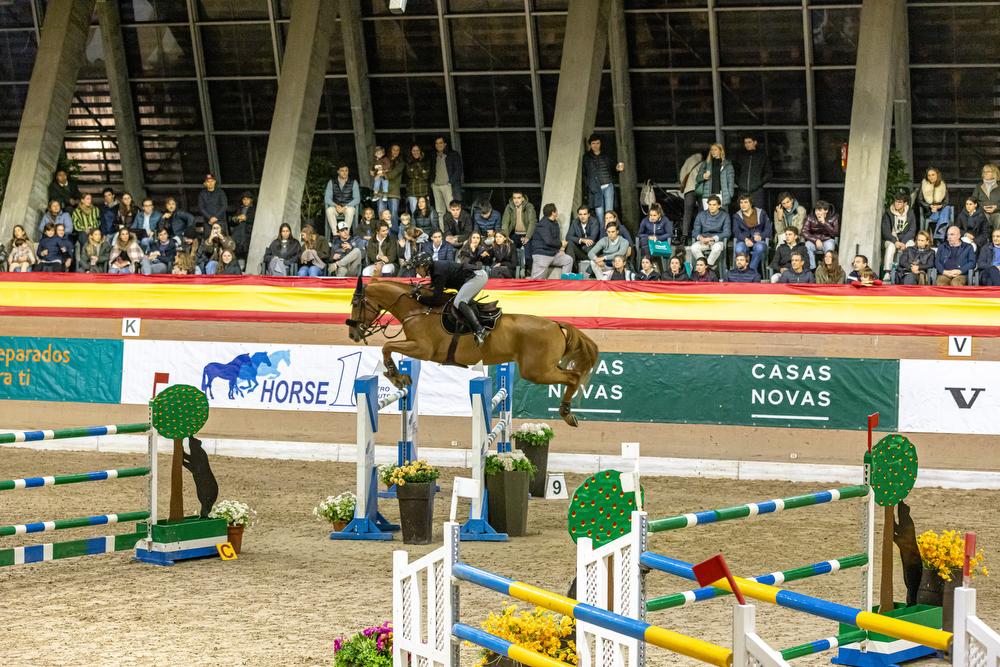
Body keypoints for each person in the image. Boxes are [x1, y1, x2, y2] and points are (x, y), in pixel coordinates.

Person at [411, 249, 489, 344]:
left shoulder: (438, 272)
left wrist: (419, 298)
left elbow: (437, 299)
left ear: (426, 266)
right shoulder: (435, 269)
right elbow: (434, 287)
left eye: (417, 268)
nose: (416, 271)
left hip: (476, 277)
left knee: (459, 302)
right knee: (461, 301)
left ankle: (479, 330)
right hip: (473, 277)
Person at [582, 134, 625, 222]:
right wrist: (588, 190)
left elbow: (613, 168)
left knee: (609, 213)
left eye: (597, 143)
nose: (595, 145)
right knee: (599, 214)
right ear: (590, 144)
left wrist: (618, 169)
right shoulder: (587, 157)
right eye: (593, 143)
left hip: (608, 185)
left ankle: (610, 233)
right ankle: (602, 235)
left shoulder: (607, 155)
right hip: (595, 189)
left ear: (601, 144)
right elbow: (586, 174)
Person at [732, 194, 772, 273]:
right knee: (739, 248)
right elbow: (736, 231)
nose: (743, 205)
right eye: (741, 203)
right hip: (744, 240)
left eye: (746, 202)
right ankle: (741, 271)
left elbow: (768, 229)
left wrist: (761, 236)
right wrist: (745, 239)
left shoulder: (761, 213)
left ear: (750, 203)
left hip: (758, 240)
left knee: (760, 247)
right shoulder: (737, 216)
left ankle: (751, 270)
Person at [688, 195, 731, 269]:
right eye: (710, 204)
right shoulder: (701, 215)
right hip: (703, 240)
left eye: (714, 205)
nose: (711, 207)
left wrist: (713, 238)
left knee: (717, 248)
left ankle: (706, 268)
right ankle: (705, 266)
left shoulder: (725, 216)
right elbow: (695, 232)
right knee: (694, 247)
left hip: (717, 241)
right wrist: (700, 238)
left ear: (719, 205)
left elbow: (727, 233)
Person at [531, 204, 573, 279]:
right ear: (553, 213)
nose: (557, 212)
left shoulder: (554, 223)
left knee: (568, 260)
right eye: (556, 210)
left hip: (553, 254)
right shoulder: (543, 224)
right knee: (536, 282)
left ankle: (565, 284)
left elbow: (555, 238)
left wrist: (560, 250)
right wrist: (561, 244)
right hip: (542, 254)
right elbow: (549, 241)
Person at [881, 193, 917, 277]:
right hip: (891, 239)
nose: (897, 204)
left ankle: (909, 270)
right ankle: (887, 272)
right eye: (896, 202)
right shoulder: (889, 213)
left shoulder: (910, 213)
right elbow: (885, 231)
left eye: (900, 202)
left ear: (905, 204)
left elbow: (912, 230)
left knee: (911, 245)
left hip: (905, 239)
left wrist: (904, 242)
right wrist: (895, 241)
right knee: (891, 247)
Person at [734, 134, 772, 211]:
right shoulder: (741, 157)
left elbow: (768, 173)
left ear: (755, 142)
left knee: (758, 214)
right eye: (745, 143)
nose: (747, 145)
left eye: (749, 142)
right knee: (743, 215)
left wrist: (758, 183)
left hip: (757, 192)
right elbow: (735, 172)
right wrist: (740, 183)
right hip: (743, 191)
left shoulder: (762, 157)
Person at [431, 135, 464, 223]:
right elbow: (431, 170)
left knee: (453, 210)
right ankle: (444, 232)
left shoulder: (453, 154)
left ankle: (455, 231)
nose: (438, 145)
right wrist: (432, 183)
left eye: (441, 143)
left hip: (448, 186)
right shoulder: (434, 156)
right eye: (436, 143)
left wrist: (450, 183)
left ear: (445, 144)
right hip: (437, 186)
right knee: (440, 212)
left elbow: (458, 170)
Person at [324, 163, 360, 240]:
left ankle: (345, 235)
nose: (344, 172)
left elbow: (357, 199)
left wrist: (346, 206)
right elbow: (327, 198)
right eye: (342, 170)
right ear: (338, 171)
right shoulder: (332, 182)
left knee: (350, 211)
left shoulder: (353, 182)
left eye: (346, 170)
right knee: (329, 210)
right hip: (336, 206)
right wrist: (335, 206)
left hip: (348, 207)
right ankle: (336, 235)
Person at [801, 201, 840, 270]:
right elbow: (804, 231)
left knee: (830, 246)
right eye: (816, 210)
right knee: (807, 245)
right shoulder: (810, 217)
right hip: (814, 240)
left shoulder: (834, 217)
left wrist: (825, 223)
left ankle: (827, 269)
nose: (817, 213)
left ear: (826, 210)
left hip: (827, 239)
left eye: (820, 210)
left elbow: (835, 233)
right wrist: (815, 240)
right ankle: (812, 269)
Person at [694, 143, 735, 210]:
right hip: (707, 195)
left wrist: (730, 194)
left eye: (715, 149)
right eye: (711, 150)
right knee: (708, 217)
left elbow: (731, 181)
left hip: (722, 196)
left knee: (722, 217)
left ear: (721, 151)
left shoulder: (727, 165)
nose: (713, 151)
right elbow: (697, 179)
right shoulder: (706, 164)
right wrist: (703, 176)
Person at [678, 150, 706, 245]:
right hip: (701, 189)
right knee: (701, 212)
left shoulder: (689, 160)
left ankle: (684, 236)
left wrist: (685, 184)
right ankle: (699, 234)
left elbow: (682, 174)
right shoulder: (705, 162)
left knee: (687, 213)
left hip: (689, 189)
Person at [500, 191, 537, 255]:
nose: (516, 200)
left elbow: (532, 222)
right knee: (509, 253)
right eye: (514, 198)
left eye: (518, 198)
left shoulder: (529, 206)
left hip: (527, 234)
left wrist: (527, 237)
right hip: (516, 234)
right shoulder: (509, 207)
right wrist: (506, 236)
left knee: (528, 257)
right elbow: (505, 222)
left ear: (523, 198)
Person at [918, 167, 952, 236]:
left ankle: (938, 235)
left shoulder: (943, 185)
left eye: (933, 175)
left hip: (941, 209)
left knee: (947, 208)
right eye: (929, 175)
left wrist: (940, 206)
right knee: (945, 215)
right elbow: (919, 200)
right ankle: (939, 236)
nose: (931, 177)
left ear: (937, 175)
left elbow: (946, 201)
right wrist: (929, 206)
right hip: (929, 211)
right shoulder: (924, 184)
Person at [567, 205, 600, 274]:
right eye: (580, 214)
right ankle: (573, 271)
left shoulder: (594, 221)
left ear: (588, 215)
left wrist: (578, 240)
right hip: (580, 251)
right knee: (570, 243)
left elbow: (592, 238)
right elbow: (568, 236)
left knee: (589, 245)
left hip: (591, 251)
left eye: (585, 214)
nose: (582, 216)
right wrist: (582, 240)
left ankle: (592, 271)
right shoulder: (575, 222)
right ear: (578, 215)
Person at [380, 143, 405, 224]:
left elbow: (394, 173)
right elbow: (377, 169)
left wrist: (383, 173)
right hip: (382, 192)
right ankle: (382, 235)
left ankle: (393, 235)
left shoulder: (401, 162)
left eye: (397, 150)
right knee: (381, 215)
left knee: (393, 216)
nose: (395, 152)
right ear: (390, 150)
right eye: (394, 149)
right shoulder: (384, 159)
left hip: (394, 192)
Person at [971, 163, 1000, 229]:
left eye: (988, 171)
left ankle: (997, 237)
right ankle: (984, 238)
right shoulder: (979, 186)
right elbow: (973, 200)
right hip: (982, 212)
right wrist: (982, 207)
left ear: (994, 173)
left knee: (998, 218)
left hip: (997, 213)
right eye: (984, 172)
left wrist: (996, 207)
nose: (985, 173)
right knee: (980, 217)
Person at [405, 144, 431, 214]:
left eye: (417, 150)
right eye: (413, 150)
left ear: (421, 151)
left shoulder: (426, 161)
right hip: (412, 190)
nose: (415, 152)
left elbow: (426, 176)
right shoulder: (408, 162)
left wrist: (418, 164)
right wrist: (421, 173)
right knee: (414, 212)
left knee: (425, 212)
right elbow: (410, 174)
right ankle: (414, 225)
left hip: (423, 190)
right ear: (411, 152)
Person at [229, 191, 256, 260]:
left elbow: (254, 219)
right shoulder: (239, 208)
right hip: (237, 234)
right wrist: (237, 218)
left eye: (247, 199)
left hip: (247, 234)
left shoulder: (254, 209)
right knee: (234, 252)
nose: (245, 201)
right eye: (244, 199)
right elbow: (231, 221)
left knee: (246, 253)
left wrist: (245, 218)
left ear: (251, 200)